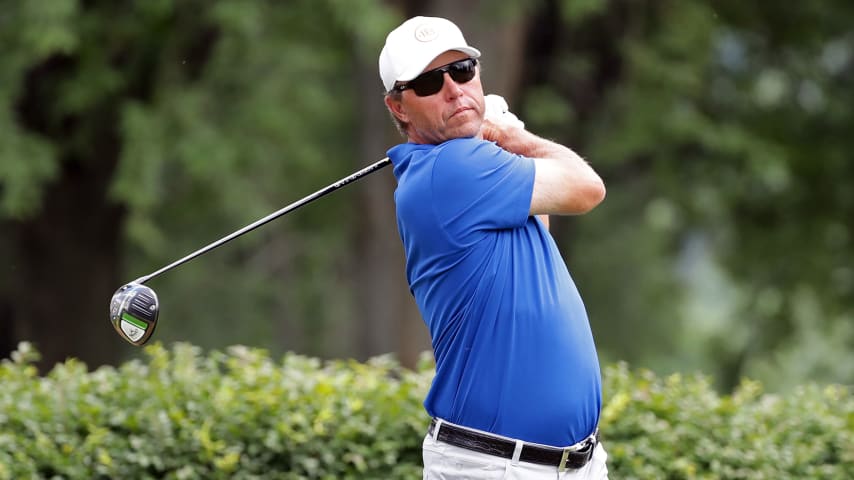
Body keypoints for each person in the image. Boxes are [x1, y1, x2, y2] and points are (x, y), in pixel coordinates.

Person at [379, 16, 609, 480]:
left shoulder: (469, 173)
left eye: (462, 70)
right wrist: (515, 138)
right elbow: (587, 188)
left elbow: (539, 220)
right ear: (399, 108)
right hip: (495, 466)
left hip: (568, 464)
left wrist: (503, 143)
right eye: (428, 82)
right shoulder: (452, 171)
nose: (453, 89)